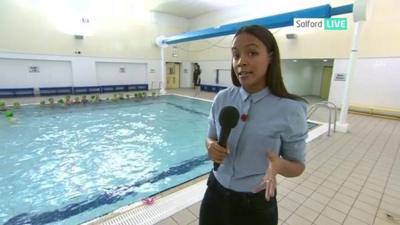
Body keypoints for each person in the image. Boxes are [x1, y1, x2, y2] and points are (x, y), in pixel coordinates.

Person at [199, 25, 308, 225]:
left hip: (255, 205)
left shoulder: (290, 109)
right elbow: (210, 136)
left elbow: (298, 166)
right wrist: (211, 146)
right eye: (236, 55)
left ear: (271, 57)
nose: (241, 62)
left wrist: (279, 165)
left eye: (252, 52)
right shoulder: (223, 99)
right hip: (215, 194)